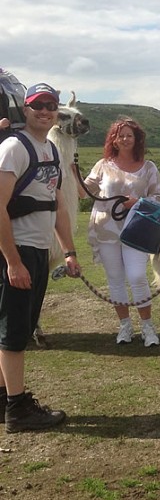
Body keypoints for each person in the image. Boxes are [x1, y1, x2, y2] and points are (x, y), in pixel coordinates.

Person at [0, 83, 81, 432]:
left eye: (51, 105)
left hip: (36, 249)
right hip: (17, 251)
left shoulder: (49, 150)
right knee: (14, 333)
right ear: (26, 110)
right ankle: (18, 409)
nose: (44, 111)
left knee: (15, 328)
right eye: (37, 105)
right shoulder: (13, 149)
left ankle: (5, 397)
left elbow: (57, 203)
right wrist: (12, 261)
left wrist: (69, 250)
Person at [83, 117, 160, 347]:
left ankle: (148, 327)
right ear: (114, 140)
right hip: (107, 230)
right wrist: (69, 168)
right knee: (115, 280)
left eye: (129, 135)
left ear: (137, 139)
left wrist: (138, 201)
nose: (125, 139)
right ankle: (125, 326)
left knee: (137, 276)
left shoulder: (148, 168)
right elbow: (84, 190)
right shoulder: (103, 165)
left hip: (135, 230)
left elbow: (158, 199)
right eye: (120, 135)